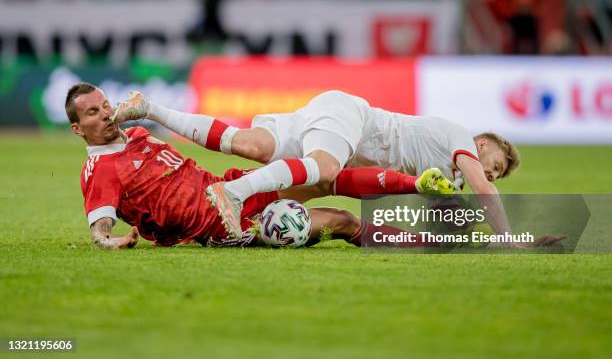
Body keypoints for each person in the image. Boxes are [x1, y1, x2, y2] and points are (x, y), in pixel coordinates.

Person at [111, 90, 522, 241]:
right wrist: (511, 239)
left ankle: (148, 107)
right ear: (481, 144)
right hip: (352, 122)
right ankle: (232, 194)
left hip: (333, 120)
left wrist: (471, 231)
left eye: (498, 173)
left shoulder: (446, 178)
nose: (492, 173)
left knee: (248, 144)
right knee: (323, 170)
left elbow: (444, 230)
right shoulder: (459, 138)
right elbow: (484, 193)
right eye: (496, 164)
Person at [67, 82, 435, 249]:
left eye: (104, 105)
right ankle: (423, 244)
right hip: (220, 225)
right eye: (92, 113)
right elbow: (99, 229)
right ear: (77, 128)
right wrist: (112, 241)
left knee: (325, 176)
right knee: (341, 220)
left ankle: (416, 184)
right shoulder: (101, 171)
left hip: (229, 185)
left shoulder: (137, 137)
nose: (105, 114)